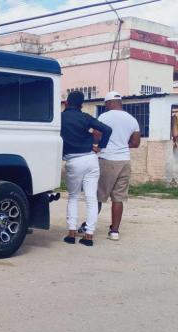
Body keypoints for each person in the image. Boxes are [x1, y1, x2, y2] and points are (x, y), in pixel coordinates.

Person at [61, 91, 112, 246]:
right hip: (91, 160)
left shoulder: (59, 118)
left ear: (66, 103)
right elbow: (107, 129)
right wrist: (100, 147)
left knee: (74, 197)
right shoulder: (86, 118)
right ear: (81, 105)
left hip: (73, 161)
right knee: (91, 198)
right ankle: (89, 236)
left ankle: (71, 233)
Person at [94, 91, 141, 241]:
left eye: (106, 104)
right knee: (118, 198)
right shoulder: (132, 119)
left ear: (109, 103)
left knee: (98, 197)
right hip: (124, 161)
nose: (106, 107)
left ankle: (89, 226)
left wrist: (102, 145)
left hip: (107, 159)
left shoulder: (103, 117)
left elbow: (96, 135)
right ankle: (114, 231)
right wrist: (121, 145)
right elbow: (135, 143)